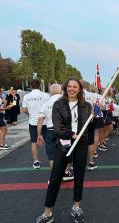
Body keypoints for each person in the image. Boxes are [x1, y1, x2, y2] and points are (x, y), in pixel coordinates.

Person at [35, 77, 92, 223]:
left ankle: (76, 207)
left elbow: (89, 126)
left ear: (79, 89)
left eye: (75, 87)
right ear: (65, 88)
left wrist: (95, 117)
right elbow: (57, 127)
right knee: (55, 178)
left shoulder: (86, 105)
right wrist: (72, 134)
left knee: (79, 177)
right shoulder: (58, 104)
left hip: (81, 143)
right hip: (63, 143)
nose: (72, 89)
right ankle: (47, 213)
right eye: (70, 86)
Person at [22, 80, 50, 169]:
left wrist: (30, 113)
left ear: (30, 86)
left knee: (34, 142)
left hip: (33, 122)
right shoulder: (46, 95)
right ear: (39, 85)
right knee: (49, 142)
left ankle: (36, 161)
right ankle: (51, 160)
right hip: (45, 122)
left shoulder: (27, 96)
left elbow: (24, 109)